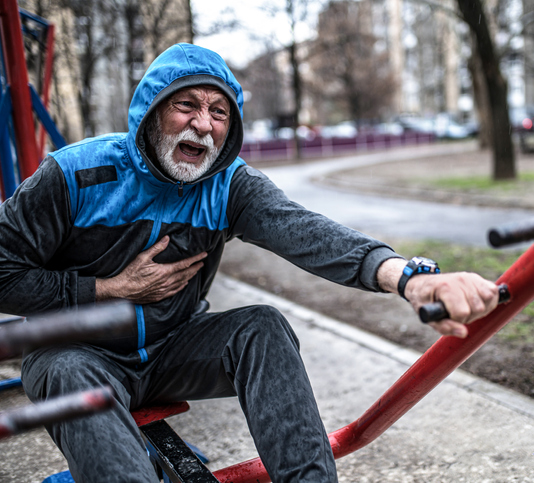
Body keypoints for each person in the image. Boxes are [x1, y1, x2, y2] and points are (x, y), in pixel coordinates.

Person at [0, 44, 498, 483]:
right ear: (151, 111)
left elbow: (307, 232)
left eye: (219, 112)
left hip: (171, 351)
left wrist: (405, 277)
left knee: (262, 327)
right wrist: (105, 289)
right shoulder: (74, 176)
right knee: (65, 369)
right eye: (186, 105)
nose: (203, 123)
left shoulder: (228, 185)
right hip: (77, 355)